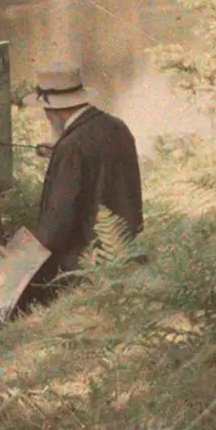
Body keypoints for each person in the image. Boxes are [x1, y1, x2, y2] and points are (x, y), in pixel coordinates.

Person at [15, 61, 143, 313]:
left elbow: (56, 228)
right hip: (125, 251)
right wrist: (60, 155)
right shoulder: (117, 126)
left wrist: (19, 262)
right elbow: (100, 170)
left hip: (86, 267)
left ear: (53, 110)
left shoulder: (71, 147)